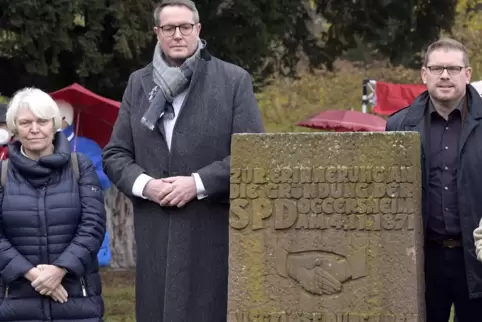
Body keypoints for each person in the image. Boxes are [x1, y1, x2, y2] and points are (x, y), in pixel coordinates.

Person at [102, 0, 264, 320]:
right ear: (157, 33)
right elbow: (115, 154)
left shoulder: (233, 81)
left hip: (209, 231)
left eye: (185, 27)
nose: (178, 34)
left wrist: (198, 183)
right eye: (169, 28)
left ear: (198, 30)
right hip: (155, 234)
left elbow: (253, 155)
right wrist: (146, 185)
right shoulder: (139, 83)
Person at [385, 38, 482, 322]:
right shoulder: (398, 126)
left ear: (468, 74)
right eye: (437, 68)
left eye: (453, 68)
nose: (444, 76)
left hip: (476, 257)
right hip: (423, 258)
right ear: (423, 74)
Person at [0, 87, 106, 321]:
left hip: (77, 299)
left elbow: (93, 225)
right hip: (16, 302)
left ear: (54, 123)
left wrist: (60, 269)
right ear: (15, 127)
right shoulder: (2, 173)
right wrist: (33, 275)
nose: (35, 129)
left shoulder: (81, 166)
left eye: (42, 121)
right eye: (26, 122)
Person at [56, 100, 112, 267]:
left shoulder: (88, 146)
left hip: (82, 211)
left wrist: (80, 172)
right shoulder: (39, 144)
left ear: (66, 117)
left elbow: (106, 179)